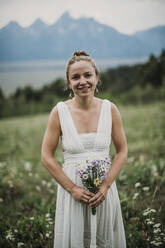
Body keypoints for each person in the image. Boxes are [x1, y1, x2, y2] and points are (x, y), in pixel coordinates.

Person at [41, 50, 127, 248]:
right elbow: (46, 156)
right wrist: (72, 189)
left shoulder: (110, 109)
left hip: (104, 194)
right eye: (76, 77)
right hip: (73, 195)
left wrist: (105, 186)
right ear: (69, 83)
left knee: (104, 239)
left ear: (96, 77)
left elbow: (122, 150)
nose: (83, 81)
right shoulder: (59, 112)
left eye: (88, 75)